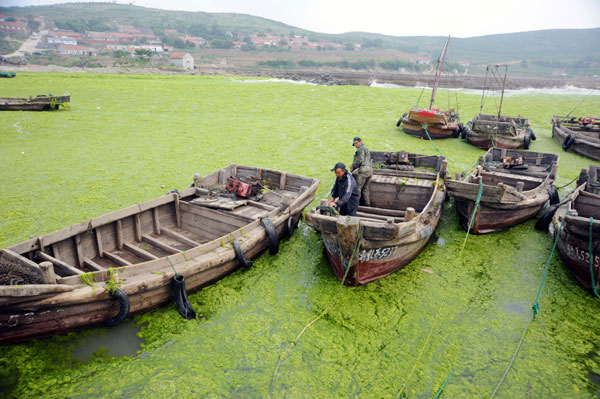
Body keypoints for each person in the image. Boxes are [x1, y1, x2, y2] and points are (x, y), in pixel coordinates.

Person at [350, 137, 373, 206]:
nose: (356, 145)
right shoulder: (365, 148)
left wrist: (353, 166)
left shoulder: (360, 149)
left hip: (364, 170)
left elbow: (360, 159)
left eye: (356, 143)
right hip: (370, 170)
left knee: (358, 189)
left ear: (361, 142)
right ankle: (367, 204)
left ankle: (355, 205)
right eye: (354, 144)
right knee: (365, 189)